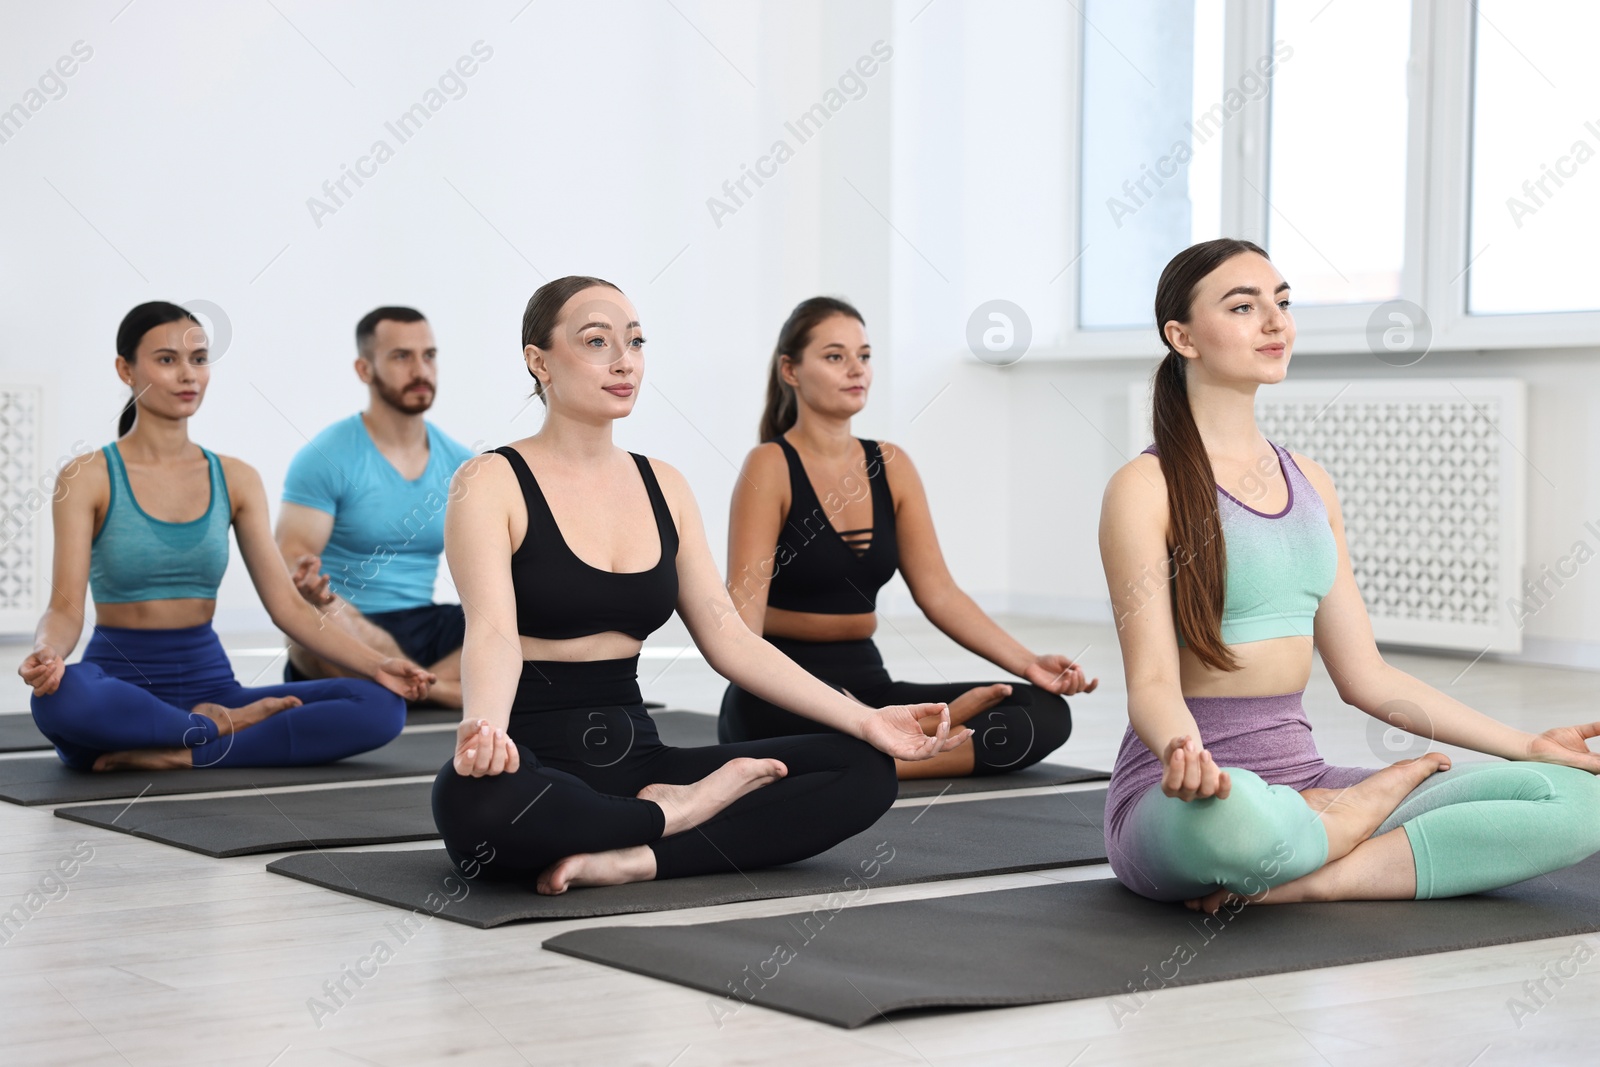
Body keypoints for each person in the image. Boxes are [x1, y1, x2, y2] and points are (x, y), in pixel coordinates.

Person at [1099, 238, 1600, 913]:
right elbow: (1153, 683)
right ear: (1181, 336)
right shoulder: (1144, 485)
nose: (1275, 322)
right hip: (1192, 797)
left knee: (1573, 798)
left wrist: (1529, 744)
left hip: (1308, 781)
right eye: (1243, 306)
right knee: (1243, 821)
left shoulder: (1311, 482)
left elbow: (1367, 676)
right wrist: (1185, 752)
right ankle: (1340, 821)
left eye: (1281, 302)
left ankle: (1317, 873)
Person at [430, 277, 972, 894]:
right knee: (476, 806)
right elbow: (493, 631)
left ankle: (634, 856)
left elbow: (728, 638)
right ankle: (677, 814)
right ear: (539, 360)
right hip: (535, 759)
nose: (623, 360)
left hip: (642, 760)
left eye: (634, 342)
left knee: (866, 771)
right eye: (596, 341)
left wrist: (866, 720)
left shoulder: (665, 485)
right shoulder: (490, 481)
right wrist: (488, 734)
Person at [19, 302, 434, 771]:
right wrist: (47, 653)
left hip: (213, 687)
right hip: (121, 683)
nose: (187, 375)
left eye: (198, 360)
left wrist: (376, 665)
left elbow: (288, 607)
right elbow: (64, 608)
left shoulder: (236, 478)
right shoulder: (87, 476)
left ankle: (179, 749)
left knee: (380, 706)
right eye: (166, 359)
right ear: (125, 369)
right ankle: (215, 732)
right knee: (60, 700)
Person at [716, 296, 1097, 779]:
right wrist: (838, 707)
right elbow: (740, 631)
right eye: (835, 356)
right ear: (790, 370)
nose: (856, 369)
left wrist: (1030, 664)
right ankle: (883, 744)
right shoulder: (769, 466)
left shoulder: (890, 465)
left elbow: (939, 594)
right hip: (780, 694)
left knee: (1040, 712)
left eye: (865, 355)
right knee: (816, 732)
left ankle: (878, 752)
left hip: (868, 682)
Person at [276, 307, 476, 707]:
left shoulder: (461, 464)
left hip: (428, 627)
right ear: (365, 369)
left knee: (530, 610)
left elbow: (491, 572)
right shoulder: (326, 456)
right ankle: (435, 688)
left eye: (429, 355)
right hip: (346, 624)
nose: (421, 370)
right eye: (402, 356)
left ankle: (421, 688)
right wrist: (319, 597)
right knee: (307, 630)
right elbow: (291, 561)